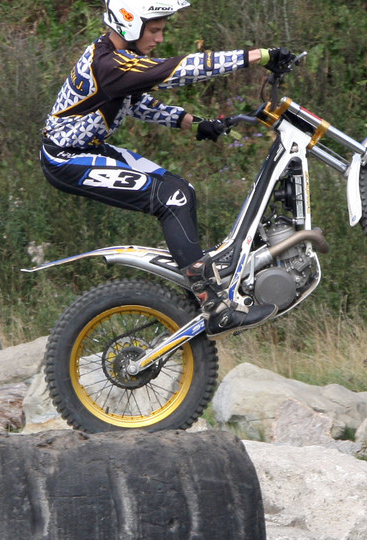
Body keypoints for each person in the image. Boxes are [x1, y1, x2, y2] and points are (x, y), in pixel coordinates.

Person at [41, 0, 292, 335]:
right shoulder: (109, 64)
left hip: (87, 149)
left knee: (181, 189)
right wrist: (259, 55)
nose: (159, 38)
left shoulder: (111, 56)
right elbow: (183, 70)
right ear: (129, 23)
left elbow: (138, 103)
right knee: (171, 198)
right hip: (67, 159)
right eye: (154, 29)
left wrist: (196, 123)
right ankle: (215, 306)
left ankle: (196, 286)